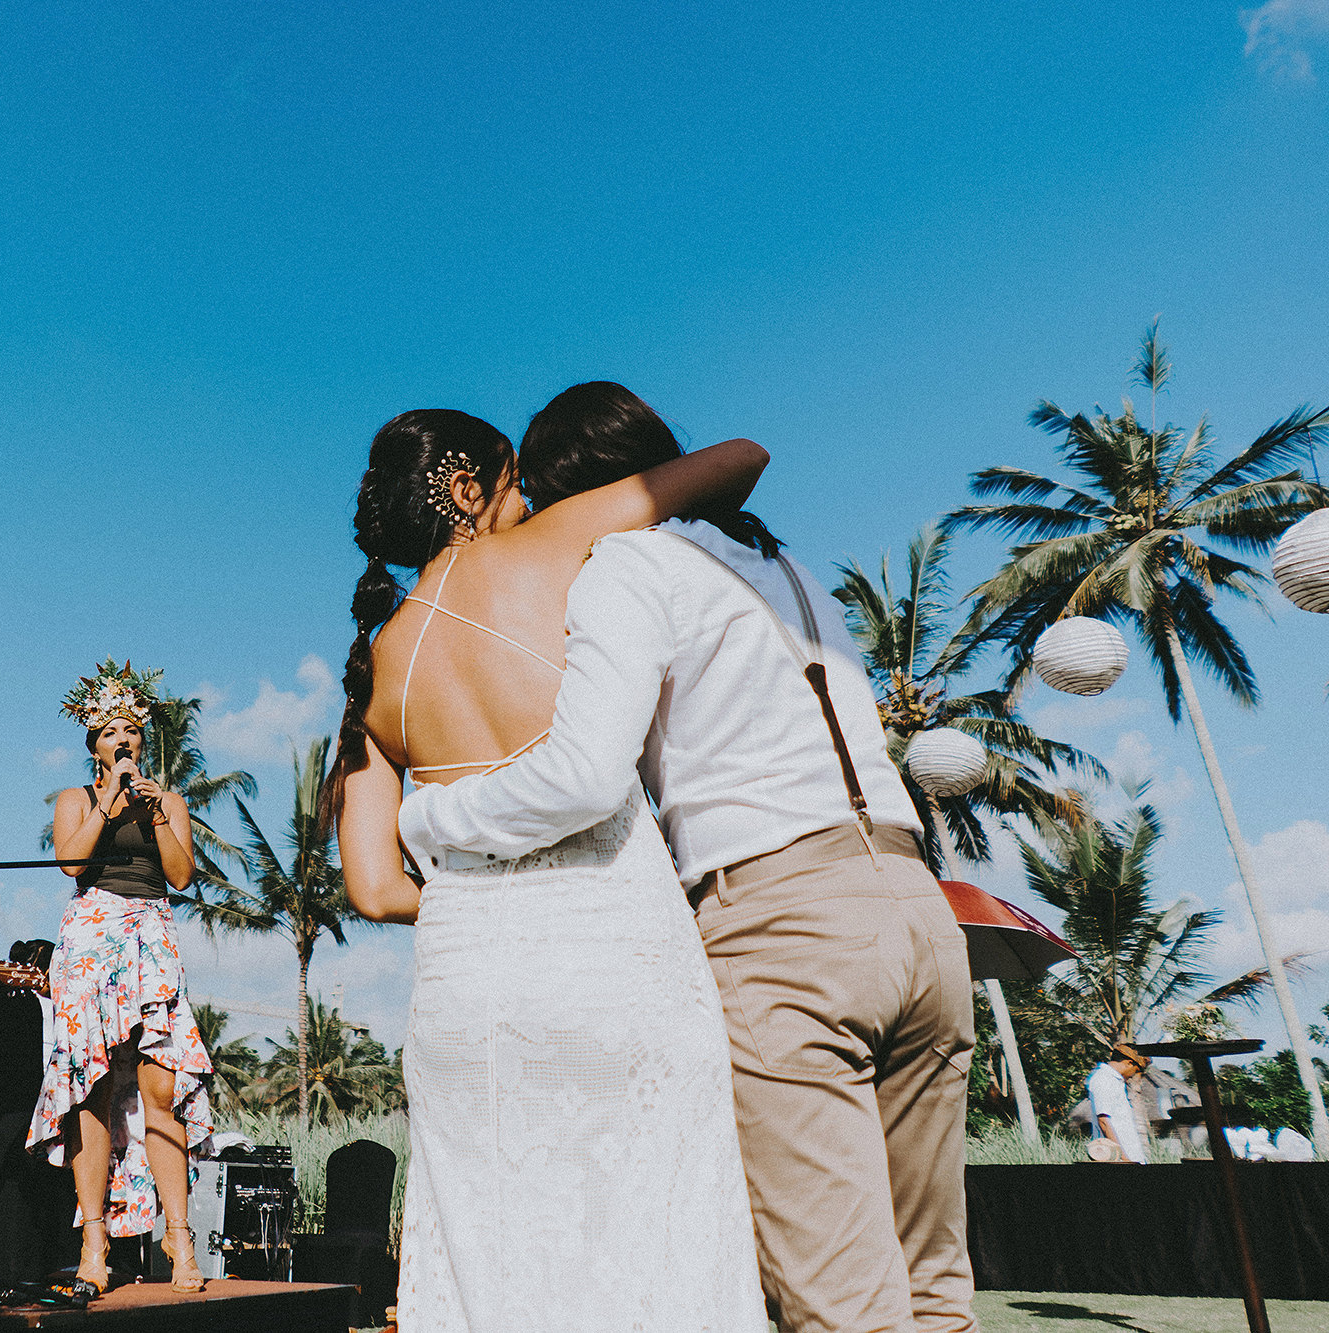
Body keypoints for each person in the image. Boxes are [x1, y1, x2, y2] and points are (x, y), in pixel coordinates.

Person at [397, 382, 977, 1333]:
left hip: (783, 924)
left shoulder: (629, 565)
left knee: (844, 1304)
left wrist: (431, 819)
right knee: (936, 1289)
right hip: (916, 909)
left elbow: (584, 775)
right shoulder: (788, 568)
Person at [331, 406, 773, 1331]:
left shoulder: (375, 666)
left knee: (499, 1266)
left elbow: (372, 885)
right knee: (655, 1243)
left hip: (466, 999)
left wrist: (472, 890)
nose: (530, 501)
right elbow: (743, 456)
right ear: (465, 490)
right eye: (513, 484)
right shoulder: (552, 546)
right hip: (612, 955)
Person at [27, 661, 214, 1295]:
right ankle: (94, 1240)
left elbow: (181, 876)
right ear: (95, 746)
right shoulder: (76, 799)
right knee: (94, 1085)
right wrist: (108, 802)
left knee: (163, 1082)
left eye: (131, 729)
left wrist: (155, 812)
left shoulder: (170, 801)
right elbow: (71, 862)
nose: (123, 739)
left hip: (152, 930)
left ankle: (178, 1236)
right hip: (93, 933)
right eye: (110, 731)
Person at [1084, 1045, 1150, 1164]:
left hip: (1130, 1157)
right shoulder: (1104, 1079)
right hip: (1119, 1159)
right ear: (1129, 1063)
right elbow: (1103, 1121)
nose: (1133, 1075)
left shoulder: (1114, 1080)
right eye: (1136, 1071)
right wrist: (1123, 1159)